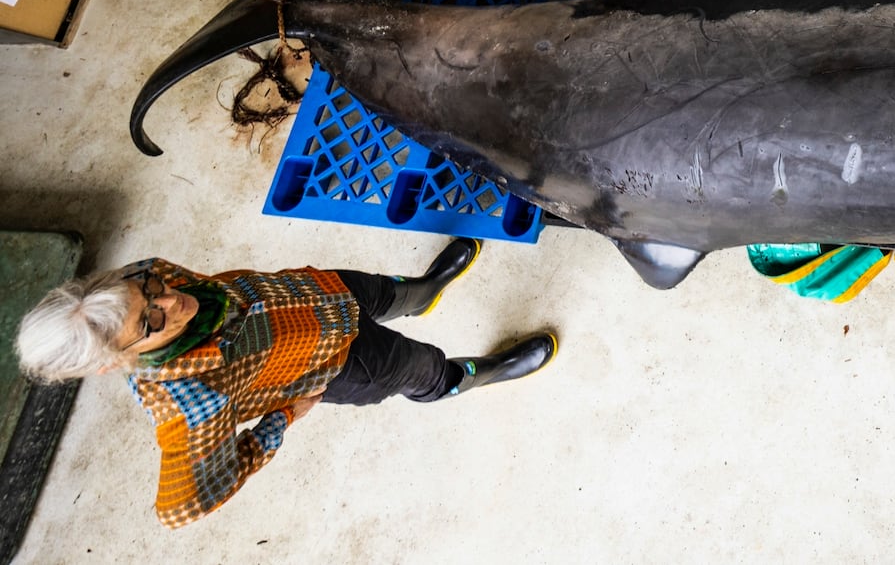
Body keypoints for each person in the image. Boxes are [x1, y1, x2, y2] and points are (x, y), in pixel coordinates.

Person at [13, 238, 554, 528]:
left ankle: (425, 291)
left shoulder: (140, 275)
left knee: (384, 291)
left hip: (312, 291)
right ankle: (476, 375)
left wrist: (148, 292)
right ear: (114, 363)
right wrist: (281, 421)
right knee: (423, 366)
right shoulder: (185, 398)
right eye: (150, 323)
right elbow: (182, 505)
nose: (171, 300)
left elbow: (166, 290)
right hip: (339, 361)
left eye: (149, 288)